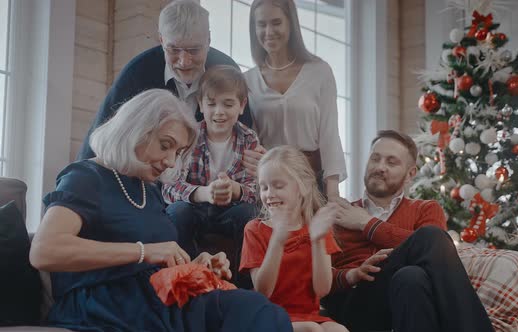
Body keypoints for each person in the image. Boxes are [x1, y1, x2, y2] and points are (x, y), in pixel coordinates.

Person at [29, 89, 292, 332]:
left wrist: (194, 266)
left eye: (177, 152)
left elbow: (159, 257)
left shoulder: (148, 187)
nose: (170, 162)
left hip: (161, 295)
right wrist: (145, 251)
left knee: (260, 312)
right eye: (165, 145)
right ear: (134, 129)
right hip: (106, 302)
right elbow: (44, 251)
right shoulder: (86, 177)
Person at [322, 130, 494, 332]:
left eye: (391, 162)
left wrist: (367, 224)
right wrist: (352, 274)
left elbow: (436, 251)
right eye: (375, 159)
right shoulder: (339, 213)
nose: (380, 167)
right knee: (429, 237)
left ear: (410, 174)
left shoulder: (426, 209)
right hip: (354, 307)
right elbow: (318, 280)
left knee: (411, 277)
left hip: (403, 301)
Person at [77, 0, 252, 160]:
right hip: (146, 178)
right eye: (173, 50)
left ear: (209, 40)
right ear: (161, 40)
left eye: (194, 50)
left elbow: (243, 129)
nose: (184, 61)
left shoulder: (226, 69)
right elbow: (103, 135)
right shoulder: (138, 71)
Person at [162, 65, 258, 286]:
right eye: (211, 103)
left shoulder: (248, 139)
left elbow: (256, 191)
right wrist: (204, 193)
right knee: (177, 211)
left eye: (228, 104)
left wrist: (236, 190)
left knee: (250, 215)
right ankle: (188, 277)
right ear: (200, 105)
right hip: (196, 207)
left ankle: (242, 284)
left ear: (242, 106)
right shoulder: (190, 135)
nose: (219, 112)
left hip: (231, 212)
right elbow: (169, 187)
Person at [242, 0, 346, 199]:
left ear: (291, 23)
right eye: (261, 24)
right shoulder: (248, 80)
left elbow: (329, 134)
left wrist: (332, 192)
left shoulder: (320, 72)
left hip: (311, 182)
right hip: (268, 186)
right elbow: (249, 138)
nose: (269, 31)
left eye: (276, 23)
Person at [240, 146, 348, 332]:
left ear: (303, 186)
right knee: (311, 329)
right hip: (267, 315)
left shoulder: (317, 228)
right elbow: (263, 291)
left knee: (338, 330)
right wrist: (277, 241)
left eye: (278, 186)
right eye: (264, 187)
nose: (269, 194)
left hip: (309, 315)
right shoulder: (255, 229)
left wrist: (317, 240)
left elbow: (322, 290)